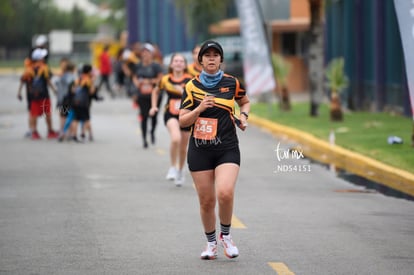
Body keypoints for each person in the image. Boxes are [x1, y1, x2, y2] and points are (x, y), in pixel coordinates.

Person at [178, 40, 250, 260]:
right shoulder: (191, 86)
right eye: (207, 55)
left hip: (227, 147)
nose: (211, 58)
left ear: (220, 59)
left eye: (215, 55)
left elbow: (244, 101)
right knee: (207, 201)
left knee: (225, 192)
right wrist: (199, 108)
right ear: (200, 60)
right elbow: (182, 121)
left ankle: (226, 237)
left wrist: (243, 116)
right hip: (200, 149)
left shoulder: (232, 82)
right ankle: (210, 244)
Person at [150, 53, 193, 186]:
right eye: (176, 61)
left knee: (183, 147)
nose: (179, 63)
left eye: (181, 61)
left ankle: (180, 170)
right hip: (171, 113)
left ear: (185, 65)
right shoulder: (165, 79)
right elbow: (155, 91)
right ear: (172, 64)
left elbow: (197, 96)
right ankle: (172, 167)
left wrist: (182, 91)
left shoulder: (191, 80)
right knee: (176, 138)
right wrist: (154, 106)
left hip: (186, 115)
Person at [18, 48, 59, 140]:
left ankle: (34, 132)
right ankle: (50, 131)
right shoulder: (44, 68)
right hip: (44, 95)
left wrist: (19, 93)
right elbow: (48, 81)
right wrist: (54, 90)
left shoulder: (28, 69)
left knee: (34, 114)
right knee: (47, 113)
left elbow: (22, 81)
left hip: (33, 96)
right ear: (40, 58)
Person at [132, 43, 163, 148]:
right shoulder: (138, 65)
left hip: (154, 95)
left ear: (151, 54)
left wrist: (149, 81)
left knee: (153, 116)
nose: (145, 55)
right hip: (142, 95)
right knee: (143, 116)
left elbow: (160, 78)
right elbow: (134, 77)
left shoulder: (156, 66)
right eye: (143, 53)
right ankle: (144, 139)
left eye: (147, 52)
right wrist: (138, 83)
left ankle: (152, 132)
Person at [69, 64, 96, 142]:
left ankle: (74, 135)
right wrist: (93, 82)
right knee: (86, 118)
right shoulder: (88, 80)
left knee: (75, 119)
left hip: (75, 101)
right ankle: (85, 134)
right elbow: (91, 92)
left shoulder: (78, 79)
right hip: (83, 102)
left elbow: (72, 90)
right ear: (89, 71)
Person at [55, 58, 76, 140]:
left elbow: (56, 84)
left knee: (62, 116)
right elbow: (72, 88)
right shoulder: (71, 77)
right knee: (70, 117)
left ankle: (61, 132)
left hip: (60, 99)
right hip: (68, 100)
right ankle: (69, 134)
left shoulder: (62, 76)